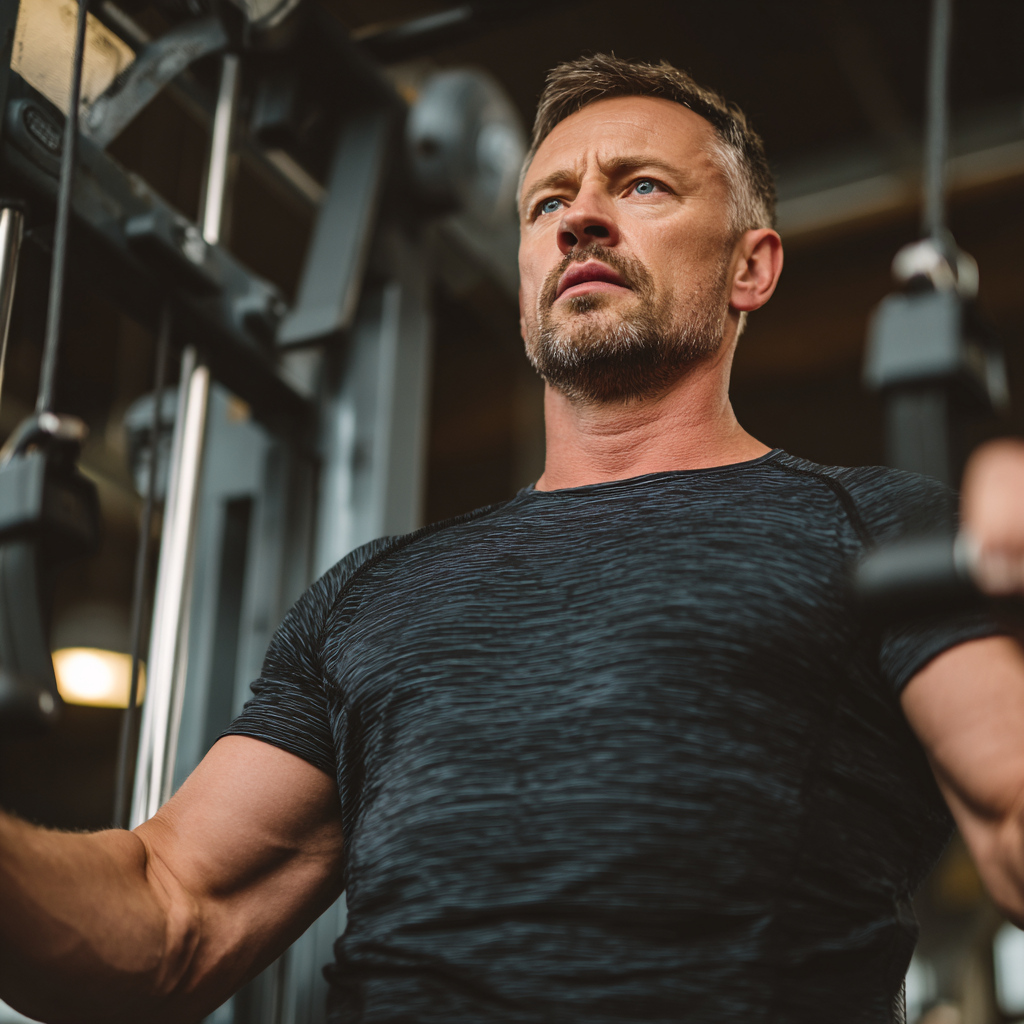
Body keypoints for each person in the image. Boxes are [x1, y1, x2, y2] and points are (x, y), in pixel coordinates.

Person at [2, 53, 1024, 1024]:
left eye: (642, 188)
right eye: (548, 202)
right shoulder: (373, 591)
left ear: (750, 267)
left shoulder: (877, 526)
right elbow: (172, 911)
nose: (580, 216)